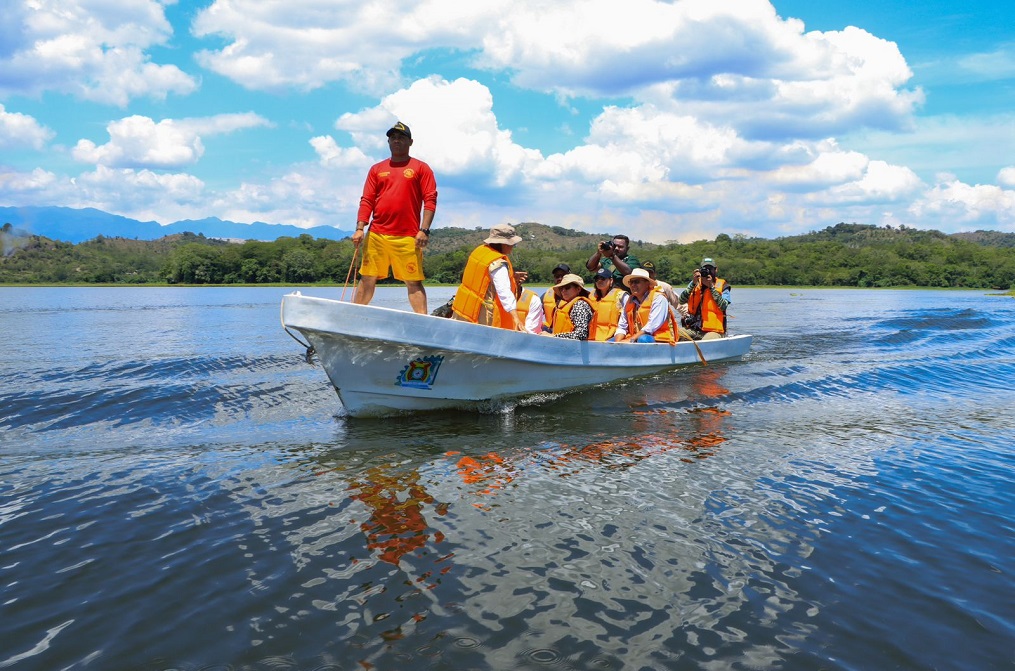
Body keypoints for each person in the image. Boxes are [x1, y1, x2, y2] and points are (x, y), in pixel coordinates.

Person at [352, 121, 437, 314]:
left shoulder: (421, 168)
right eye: (393, 138)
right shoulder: (376, 169)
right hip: (377, 234)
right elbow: (367, 199)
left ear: (410, 142)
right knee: (367, 277)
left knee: (413, 281)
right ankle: (355, 316)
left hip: (408, 235)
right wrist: (360, 227)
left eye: (401, 137)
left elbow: (430, 199)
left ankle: (422, 322)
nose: (396, 141)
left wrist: (424, 230)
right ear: (388, 142)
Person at [451, 224, 527, 330]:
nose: (513, 246)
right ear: (503, 244)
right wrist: (516, 318)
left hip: (463, 311)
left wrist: (512, 277)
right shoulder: (498, 263)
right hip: (482, 317)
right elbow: (504, 293)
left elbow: (484, 278)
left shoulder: (480, 252)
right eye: (512, 244)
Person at [614, 268, 677, 343]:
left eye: (637, 282)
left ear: (647, 283)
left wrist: (630, 340)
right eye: (631, 282)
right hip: (636, 338)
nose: (633, 285)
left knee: (643, 339)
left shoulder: (658, 298)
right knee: (610, 341)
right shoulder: (629, 301)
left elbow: (652, 326)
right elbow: (622, 326)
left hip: (658, 339)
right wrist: (618, 343)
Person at [677, 257, 730, 340]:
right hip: (694, 329)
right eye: (705, 269)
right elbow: (681, 300)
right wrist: (693, 284)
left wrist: (711, 287)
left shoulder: (723, 286)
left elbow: (723, 306)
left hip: (714, 331)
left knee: (706, 341)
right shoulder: (695, 283)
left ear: (715, 270)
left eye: (710, 269)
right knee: (674, 334)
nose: (708, 271)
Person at [541, 273, 595, 340]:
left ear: (578, 289)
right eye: (561, 288)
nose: (563, 291)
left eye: (567, 287)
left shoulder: (580, 305)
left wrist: (554, 336)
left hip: (574, 348)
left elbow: (581, 334)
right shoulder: (566, 305)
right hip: (564, 345)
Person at [588, 267, 624, 341]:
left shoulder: (620, 296)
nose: (599, 281)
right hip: (593, 337)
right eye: (597, 279)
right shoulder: (591, 296)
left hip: (612, 336)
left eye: (603, 278)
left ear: (611, 280)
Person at [542, 263, 571, 332]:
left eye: (563, 276)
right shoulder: (547, 295)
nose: (560, 278)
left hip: (569, 334)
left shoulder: (577, 294)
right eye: (557, 276)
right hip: (550, 332)